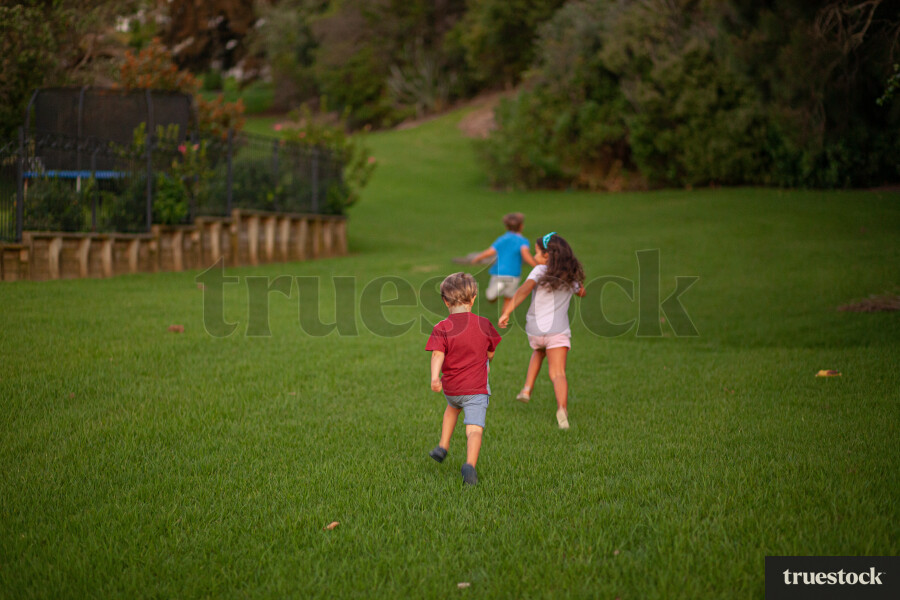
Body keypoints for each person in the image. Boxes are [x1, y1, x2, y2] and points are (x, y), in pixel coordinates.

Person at [498, 232, 585, 430]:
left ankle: (527, 389)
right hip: (558, 331)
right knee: (558, 373)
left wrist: (507, 311)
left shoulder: (539, 271)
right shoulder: (568, 278)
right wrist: (576, 282)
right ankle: (562, 409)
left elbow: (523, 290)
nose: (534, 257)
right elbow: (582, 292)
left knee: (538, 351)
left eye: (536, 253)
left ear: (547, 256)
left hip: (536, 329)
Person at [426, 272, 502, 486]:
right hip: (476, 388)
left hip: (452, 388)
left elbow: (437, 354)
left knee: (452, 408)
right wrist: (487, 357)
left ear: (445, 301)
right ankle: (469, 465)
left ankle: (443, 446)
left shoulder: (441, 327)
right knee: (474, 430)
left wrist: (434, 378)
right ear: (474, 298)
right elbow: (491, 352)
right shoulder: (484, 324)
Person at [470, 212, 537, 314]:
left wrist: (478, 258)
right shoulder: (523, 241)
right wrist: (536, 265)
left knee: (491, 297)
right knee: (508, 298)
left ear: (506, 227)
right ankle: (503, 318)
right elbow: (526, 255)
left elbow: (491, 251)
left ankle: (495, 292)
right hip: (514, 274)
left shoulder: (502, 239)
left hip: (498, 272)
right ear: (521, 227)